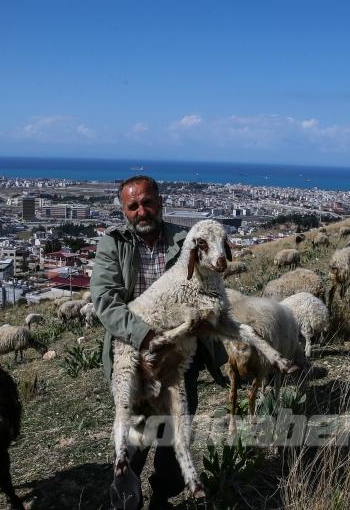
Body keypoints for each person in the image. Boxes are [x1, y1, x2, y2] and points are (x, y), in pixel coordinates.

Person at [90, 175, 227, 509]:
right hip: (134, 353)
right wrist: (146, 337)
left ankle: (163, 496)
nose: (141, 211)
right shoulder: (114, 243)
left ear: (159, 202)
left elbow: (210, 287)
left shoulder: (186, 240)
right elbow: (106, 301)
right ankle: (126, 494)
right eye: (132, 205)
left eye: (147, 202)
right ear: (124, 209)